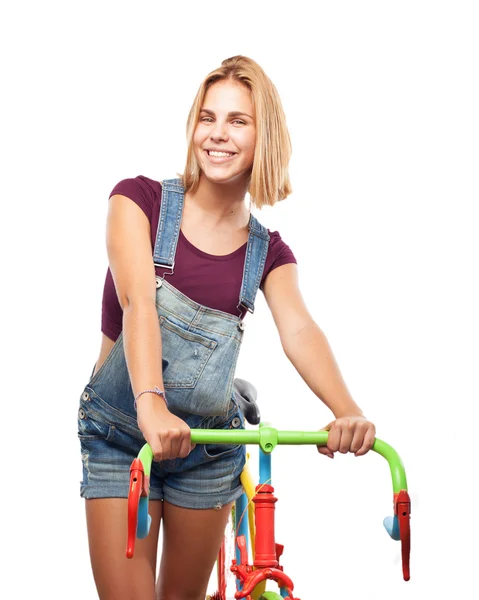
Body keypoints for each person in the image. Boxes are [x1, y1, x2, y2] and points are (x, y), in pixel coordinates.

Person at [78, 55, 376, 600]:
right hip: (123, 435)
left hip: (206, 451)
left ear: (266, 138)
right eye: (207, 117)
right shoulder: (138, 202)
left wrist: (347, 411)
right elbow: (138, 303)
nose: (217, 134)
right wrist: (150, 404)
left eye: (238, 121)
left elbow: (301, 330)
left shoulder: (268, 252)